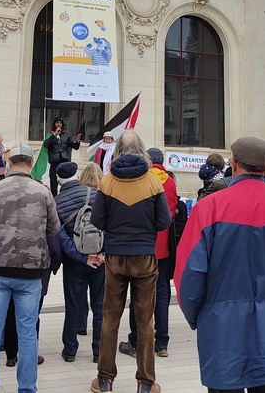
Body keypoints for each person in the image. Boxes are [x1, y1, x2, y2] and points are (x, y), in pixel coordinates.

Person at [175, 136, 265, 393]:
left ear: (232, 164)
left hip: (222, 329)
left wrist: (195, 315)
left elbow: (189, 275)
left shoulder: (207, 208)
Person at [0, 143, 60, 393]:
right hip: (31, 270)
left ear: (9, 163)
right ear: (31, 164)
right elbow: (54, 229)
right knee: (28, 332)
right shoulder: (43, 192)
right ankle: (27, 388)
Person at [91, 132, 171, 393]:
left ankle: (104, 379)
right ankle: (146, 383)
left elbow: (97, 221)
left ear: (116, 152)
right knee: (145, 320)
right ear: (142, 149)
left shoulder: (107, 181)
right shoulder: (153, 181)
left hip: (114, 256)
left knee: (109, 318)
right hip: (145, 256)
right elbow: (163, 222)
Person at [122, 147, 177, 359]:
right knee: (162, 293)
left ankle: (136, 340)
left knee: (138, 294)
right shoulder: (170, 182)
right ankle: (162, 342)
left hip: (142, 246)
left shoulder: (141, 180)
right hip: (163, 248)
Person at [58, 162, 105, 363]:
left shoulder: (56, 201)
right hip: (100, 260)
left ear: (59, 180)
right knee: (100, 306)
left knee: (73, 305)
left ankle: (70, 350)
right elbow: (110, 227)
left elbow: (59, 236)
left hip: (74, 261)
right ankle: (98, 351)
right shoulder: (98, 196)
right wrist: (102, 252)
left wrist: (81, 257)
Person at [42, 117, 81, 196]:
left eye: (60, 123)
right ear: (54, 124)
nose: (59, 124)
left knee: (66, 180)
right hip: (54, 162)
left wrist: (77, 142)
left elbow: (75, 147)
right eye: (57, 122)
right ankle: (54, 197)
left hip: (64, 162)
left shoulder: (66, 136)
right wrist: (54, 135)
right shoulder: (50, 136)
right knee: (53, 182)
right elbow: (46, 145)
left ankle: (65, 196)